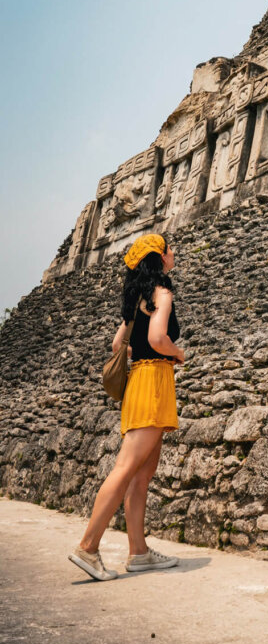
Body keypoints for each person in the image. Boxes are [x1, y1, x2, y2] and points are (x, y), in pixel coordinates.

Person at [69, 233, 185, 581]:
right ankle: (88, 548)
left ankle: (139, 552)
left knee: (142, 472)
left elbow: (119, 342)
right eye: (169, 248)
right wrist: (178, 354)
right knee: (126, 468)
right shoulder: (162, 294)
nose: (173, 252)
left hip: (139, 381)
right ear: (160, 258)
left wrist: (145, 354)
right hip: (153, 384)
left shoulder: (136, 298)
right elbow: (157, 339)